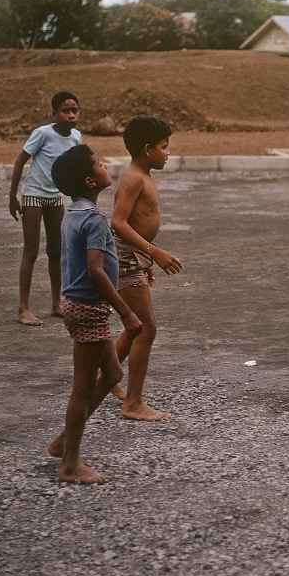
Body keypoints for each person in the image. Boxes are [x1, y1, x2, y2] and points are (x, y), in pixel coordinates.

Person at [47, 144, 142, 484]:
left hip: (80, 305)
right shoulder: (94, 220)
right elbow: (96, 271)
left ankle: (63, 441)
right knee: (82, 390)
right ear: (90, 180)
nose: (105, 165)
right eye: (99, 163)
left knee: (114, 375)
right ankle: (70, 464)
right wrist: (126, 312)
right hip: (88, 308)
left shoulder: (73, 213)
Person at [109, 115, 183, 421]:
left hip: (133, 259)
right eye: (164, 147)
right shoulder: (133, 178)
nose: (168, 153)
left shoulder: (143, 175)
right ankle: (133, 403)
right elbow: (118, 222)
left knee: (134, 327)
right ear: (147, 148)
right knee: (146, 329)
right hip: (125, 258)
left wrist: (146, 260)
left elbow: (138, 222)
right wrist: (155, 252)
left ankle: (105, 379)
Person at [8, 91, 82, 326]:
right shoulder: (42, 133)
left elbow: (75, 168)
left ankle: (56, 304)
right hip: (33, 196)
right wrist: (12, 196)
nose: (71, 115)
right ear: (54, 113)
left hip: (55, 198)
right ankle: (23, 308)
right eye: (65, 110)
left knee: (56, 251)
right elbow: (21, 160)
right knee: (31, 250)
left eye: (74, 110)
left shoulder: (76, 137)